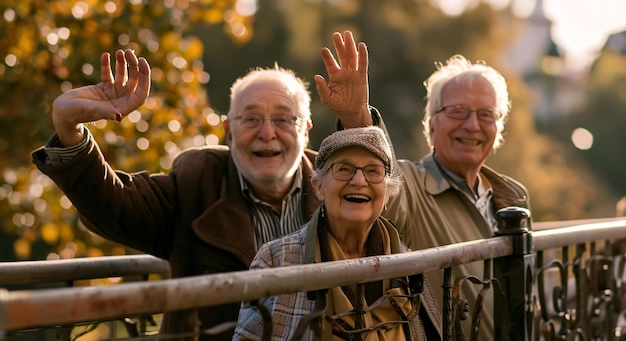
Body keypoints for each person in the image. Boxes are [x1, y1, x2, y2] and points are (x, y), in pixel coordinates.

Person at [31, 32, 371, 341]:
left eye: (283, 119)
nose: (267, 133)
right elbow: (113, 204)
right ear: (228, 130)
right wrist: (68, 127)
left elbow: (383, 202)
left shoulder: (335, 184)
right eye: (250, 118)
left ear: (306, 130)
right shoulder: (196, 181)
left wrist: (357, 121)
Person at [320, 50, 532, 339]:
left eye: (486, 114)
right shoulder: (410, 185)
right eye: (457, 111)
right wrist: (357, 117)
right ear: (431, 124)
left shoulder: (513, 194)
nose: (472, 125)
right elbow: (381, 181)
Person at [233, 126, 442, 341]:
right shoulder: (276, 259)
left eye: (373, 171)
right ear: (318, 187)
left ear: (387, 193)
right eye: (343, 169)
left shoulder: (409, 268)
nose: (359, 181)